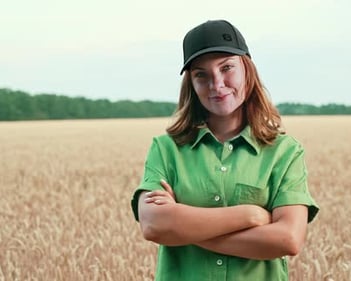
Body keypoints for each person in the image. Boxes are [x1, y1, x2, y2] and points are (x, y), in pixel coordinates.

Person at [131, 19, 319, 281]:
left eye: (226, 67)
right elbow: (153, 225)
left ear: (247, 70)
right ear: (191, 83)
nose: (216, 84)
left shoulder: (284, 152)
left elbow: (287, 239)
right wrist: (251, 215)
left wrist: (185, 229)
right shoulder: (166, 149)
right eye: (201, 74)